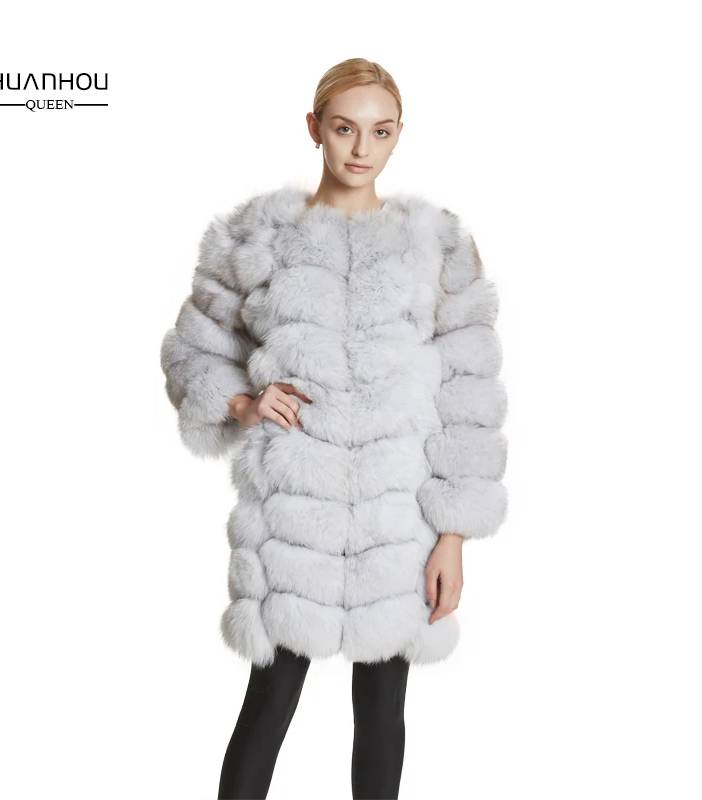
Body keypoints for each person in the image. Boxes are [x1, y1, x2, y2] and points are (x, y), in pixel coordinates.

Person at [160, 57, 509, 799]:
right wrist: (242, 403)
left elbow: (469, 393)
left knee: (383, 710)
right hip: (292, 519)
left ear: (399, 135)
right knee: (268, 704)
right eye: (346, 128)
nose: (361, 148)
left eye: (380, 132)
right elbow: (194, 351)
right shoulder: (258, 239)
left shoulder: (437, 245)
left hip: (398, 522)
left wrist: (452, 535)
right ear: (314, 127)